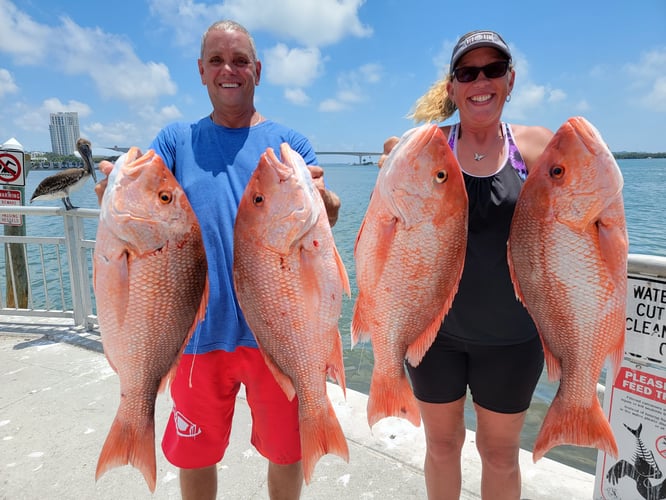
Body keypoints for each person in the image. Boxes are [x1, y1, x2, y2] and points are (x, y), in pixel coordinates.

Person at [140, 20, 338, 500]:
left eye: (240, 60)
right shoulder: (175, 140)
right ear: (201, 72)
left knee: (285, 455)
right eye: (217, 60)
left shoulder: (289, 144)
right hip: (198, 334)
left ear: (258, 70)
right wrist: (114, 196)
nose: (229, 70)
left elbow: (323, 216)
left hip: (277, 330)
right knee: (196, 456)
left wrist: (328, 205)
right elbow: (146, 197)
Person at [380, 30, 554, 500]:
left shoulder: (537, 148)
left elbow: (581, 215)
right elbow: (386, 225)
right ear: (453, 86)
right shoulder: (425, 150)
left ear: (510, 80)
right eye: (467, 72)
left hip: (514, 337)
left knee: (499, 454)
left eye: (493, 70)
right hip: (434, 333)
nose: (481, 80)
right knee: (441, 445)